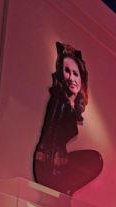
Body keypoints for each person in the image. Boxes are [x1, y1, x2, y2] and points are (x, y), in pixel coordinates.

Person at [33, 42, 103, 196]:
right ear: (61, 74)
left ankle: (65, 195)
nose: (71, 78)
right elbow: (49, 137)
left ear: (82, 78)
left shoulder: (70, 104)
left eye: (75, 73)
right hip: (49, 165)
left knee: (95, 160)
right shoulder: (59, 101)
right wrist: (50, 167)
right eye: (67, 71)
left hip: (56, 163)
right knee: (94, 160)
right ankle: (63, 195)